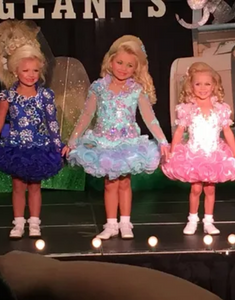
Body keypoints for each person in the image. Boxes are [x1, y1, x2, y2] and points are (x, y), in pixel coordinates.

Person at [62, 35, 168, 240]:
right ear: (110, 61)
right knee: (110, 183)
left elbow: (149, 117)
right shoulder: (99, 87)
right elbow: (86, 115)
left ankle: (126, 223)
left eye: (129, 65)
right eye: (119, 62)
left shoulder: (136, 90)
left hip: (128, 143)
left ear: (135, 69)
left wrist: (162, 140)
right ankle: (111, 224)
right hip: (104, 143)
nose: (123, 68)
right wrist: (73, 140)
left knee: (125, 183)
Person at [0, 44, 63, 239]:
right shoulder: (8, 96)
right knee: (17, 186)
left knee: (35, 186)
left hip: (39, 146)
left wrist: (57, 145)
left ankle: (34, 223)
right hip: (16, 147)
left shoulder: (45, 96)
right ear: (15, 71)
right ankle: (18, 223)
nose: (31, 75)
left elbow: (52, 122)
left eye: (35, 70)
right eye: (25, 70)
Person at [162, 62, 235, 235]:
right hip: (193, 154)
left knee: (210, 189)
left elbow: (227, 132)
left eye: (207, 84)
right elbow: (179, 131)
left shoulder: (220, 109)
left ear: (214, 86)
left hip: (213, 154)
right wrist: (173, 150)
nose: (203, 88)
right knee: (196, 188)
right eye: (198, 84)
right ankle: (192, 219)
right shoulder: (187, 109)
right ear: (191, 85)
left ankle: (209, 221)